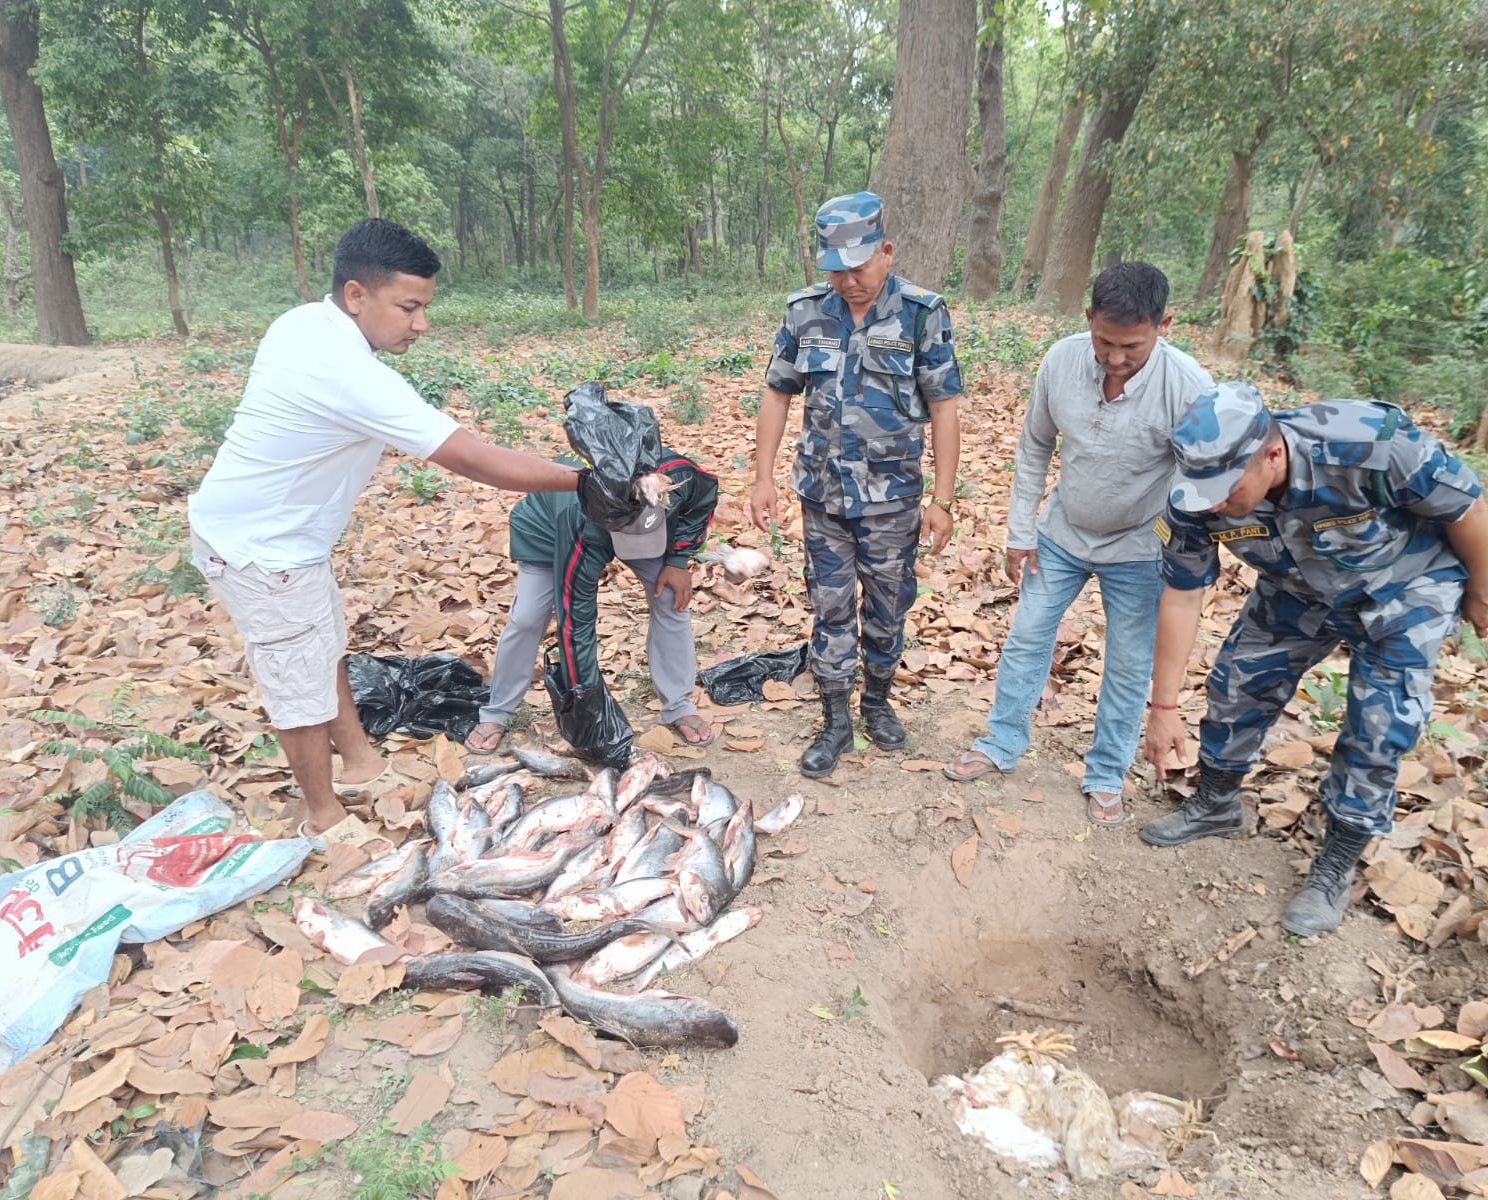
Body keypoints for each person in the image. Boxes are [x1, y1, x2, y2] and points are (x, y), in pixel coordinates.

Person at [188, 218, 580, 835]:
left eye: (424, 306)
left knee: (325, 650)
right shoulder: (348, 374)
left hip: (288, 542)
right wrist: (584, 481)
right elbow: (471, 457)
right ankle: (323, 815)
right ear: (356, 295)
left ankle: (363, 764)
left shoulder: (301, 323)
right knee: (297, 682)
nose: (421, 323)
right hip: (257, 551)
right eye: (409, 307)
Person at [1141, 382, 1488, 934]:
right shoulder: (1195, 497)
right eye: (1202, 490)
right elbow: (1183, 593)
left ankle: (1336, 862)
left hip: (1403, 590)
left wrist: (1486, 589)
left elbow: (1464, 504)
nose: (1213, 503)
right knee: (1236, 682)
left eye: (1225, 488)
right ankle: (1216, 803)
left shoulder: (1366, 444)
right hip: (1295, 588)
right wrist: (1163, 704)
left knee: (1379, 727)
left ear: (1272, 454)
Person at [942, 263, 1213, 826]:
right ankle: (1001, 742)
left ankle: (1107, 773)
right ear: (1088, 318)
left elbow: (1201, 487)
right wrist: (1020, 532)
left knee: (1128, 663)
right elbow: (1035, 446)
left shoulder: (1190, 388)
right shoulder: (1060, 361)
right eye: (1104, 341)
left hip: (1140, 545)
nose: (1115, 358)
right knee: (1027, 635)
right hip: (1061, 532)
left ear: (1164, 324)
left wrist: (1180, 563)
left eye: (1132, 346)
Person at [749, 191, 963, 779]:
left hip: (893, 501)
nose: (847, 280)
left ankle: (877, 700)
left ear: (886, 252)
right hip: (822, 495)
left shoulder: (923, 314)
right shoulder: (805, 313)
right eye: (835, 270)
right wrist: (763, 476)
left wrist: (943, 500)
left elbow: (945, 407)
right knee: (830, 607)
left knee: (889, 610)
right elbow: (777, 392)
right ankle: (836, 718)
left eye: (859, 267)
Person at [467, 446, 719, 752]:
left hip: (638, 524)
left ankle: (679, 704)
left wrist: (678, 560)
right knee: (527, 619)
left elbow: (702, 500)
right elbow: (576, 619)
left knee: (671, 599)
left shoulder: (677, 477)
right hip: (551, 528)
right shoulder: (577, 520)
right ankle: (497, 710)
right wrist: (586, 700)